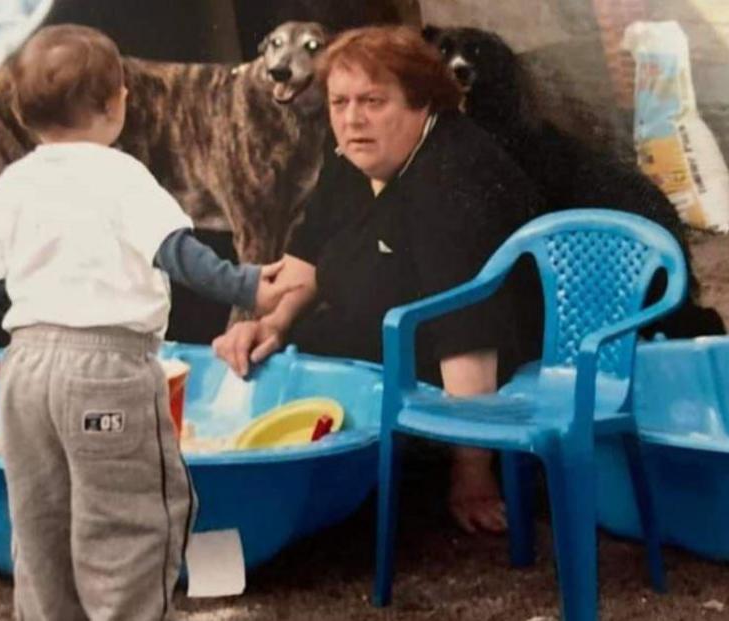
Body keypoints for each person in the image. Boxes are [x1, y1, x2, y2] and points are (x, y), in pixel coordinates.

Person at [0, 25, 295, 621]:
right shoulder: (124, 177)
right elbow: (180, 255)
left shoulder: (12, 184)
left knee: (39, 526)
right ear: (117, 103)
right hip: (106, 370)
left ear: (22, 114)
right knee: (128, 524)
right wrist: (249, 284)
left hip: (24, 373)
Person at [212, 25, 547, 535]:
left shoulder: (451, 180)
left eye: (373, 101)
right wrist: (273, 323)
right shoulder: (353, 155)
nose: (351, 119)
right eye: (339, 101)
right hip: (383, 341)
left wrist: (473, 476)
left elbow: (469, 337)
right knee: (259, 361)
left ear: (422, 105)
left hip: (477, 371)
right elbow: (310, 249)